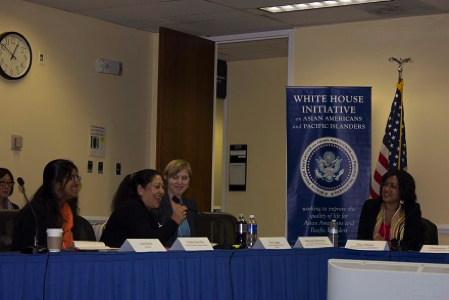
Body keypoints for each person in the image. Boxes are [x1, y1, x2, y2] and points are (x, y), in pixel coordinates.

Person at [100, 169, 187, 248]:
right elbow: (147, 242)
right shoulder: (131, 208)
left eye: (162, 187)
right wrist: (174, 221)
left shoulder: (147, 211)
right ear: (140, 189)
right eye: (157, 187)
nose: (162, 191)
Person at [11, 159, 84, 251]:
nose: (77, 182)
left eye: (77, 178)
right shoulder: (34, 213)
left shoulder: (67, 211)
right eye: (72, 178)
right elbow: (28, 252)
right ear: (57, 184)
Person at [357, 169, 422, 251]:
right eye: (385, 184)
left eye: (392, 186)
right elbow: (361, 239)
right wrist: (374, 244)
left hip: (400, 260)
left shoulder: (412, 210)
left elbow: (412, 244)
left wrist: (390, 245)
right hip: (372, 258)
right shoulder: (370, 206)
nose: (386, 189)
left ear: (403, 190)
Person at [154, 159, 198, 247]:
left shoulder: (191, 204)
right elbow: (155, 237)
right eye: (175, 177)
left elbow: (195, 237)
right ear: (166, 178)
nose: (180, 182)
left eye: (184, 178)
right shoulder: (157, 203)